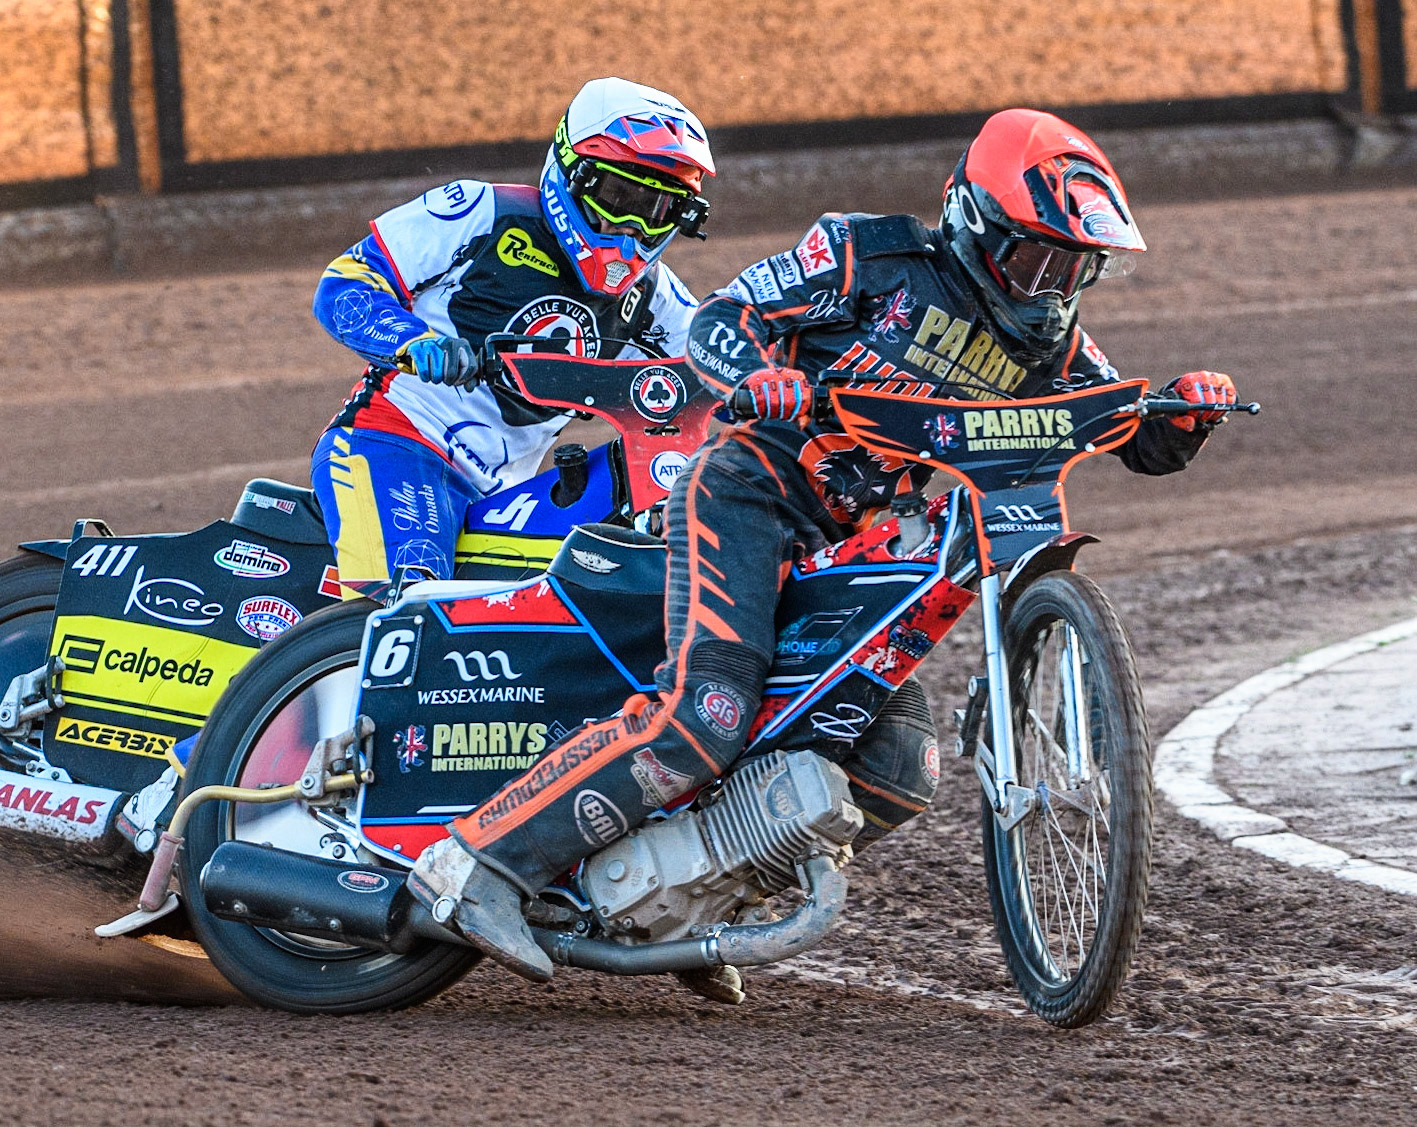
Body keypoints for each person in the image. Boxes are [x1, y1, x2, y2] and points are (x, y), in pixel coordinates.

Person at [409, 107, 1238, 988]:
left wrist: (1183, 415)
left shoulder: (1052, 341)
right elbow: (721, 320)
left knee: (897, 764)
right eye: (1034, 257)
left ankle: (691, 901)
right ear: (974, 223)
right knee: (705, 716)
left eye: (1073, 267)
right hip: (745, 495)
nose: (1048, 284)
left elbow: (1132, 436)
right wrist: (755, 375)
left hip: (847, 552)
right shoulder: (863, 255)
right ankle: (475, 864)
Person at [308, 77, 715, 589]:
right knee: (411, 606)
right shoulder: (480, 212)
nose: (631, 227)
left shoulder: (655, 298)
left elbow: (718, 360)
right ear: (573, 173)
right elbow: (345, 283)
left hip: (509, 492)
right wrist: (414, 342)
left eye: (659, 211)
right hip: (396, 445)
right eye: (620, 197)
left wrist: (795, 387)